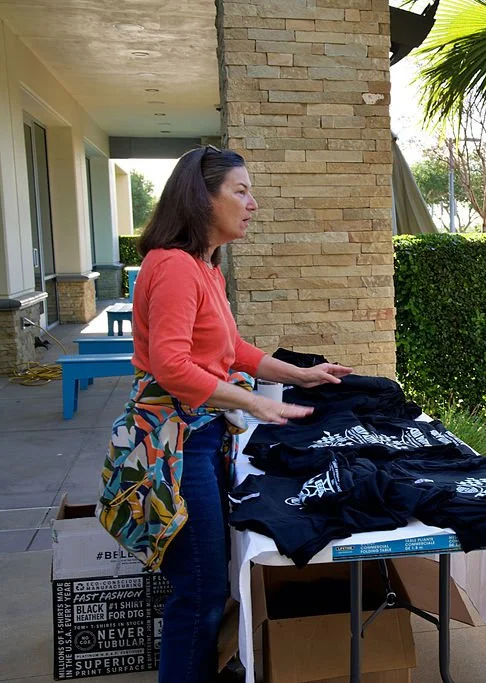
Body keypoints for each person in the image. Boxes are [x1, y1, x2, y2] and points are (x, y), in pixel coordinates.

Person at [97, 146, 353, 682]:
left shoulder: (204, 266)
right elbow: (170, 365)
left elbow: (232, 348)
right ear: (201, 197)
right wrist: (255, 402)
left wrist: (299, 374)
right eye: (240, 190)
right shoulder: (171, 266)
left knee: (209, 585)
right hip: (175, 447)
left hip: (204, 437)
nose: (252, 203)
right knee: (199, 591)